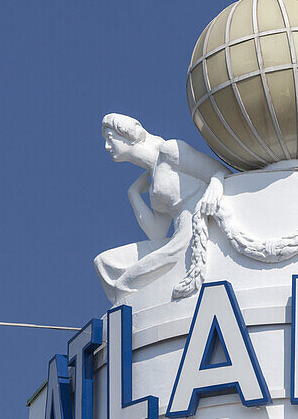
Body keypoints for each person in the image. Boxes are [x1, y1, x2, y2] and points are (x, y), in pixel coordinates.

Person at [94, 114, 227, 296]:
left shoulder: (169, 151)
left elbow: (221, 172)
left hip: (193, 230)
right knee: (104, 262)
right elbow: (157, 232)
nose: (107, 147)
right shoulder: (153, 175)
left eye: (110, 139)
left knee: (123, 285)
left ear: (127, 134)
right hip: (177, 235)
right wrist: (133, 194)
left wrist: (215, 187)